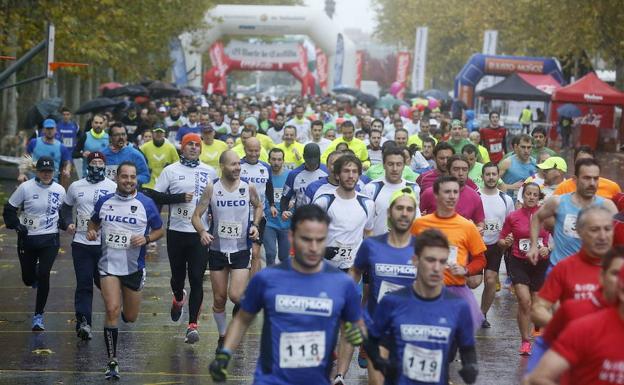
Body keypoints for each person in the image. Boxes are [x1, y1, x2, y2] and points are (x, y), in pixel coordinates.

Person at [207, 205, 364, 385]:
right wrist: (224, 354)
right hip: (270, 380)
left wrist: (361, 339)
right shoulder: (267, 279)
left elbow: (353, 329)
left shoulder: (342, 285)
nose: (313, 247)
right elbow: (242, 319)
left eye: (320, 240)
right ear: (291, 237)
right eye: (306, 239)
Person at [364, 229, 479, 385]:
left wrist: (470, 367)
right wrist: (379, 371)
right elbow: (374, 343)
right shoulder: (391, 302)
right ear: (415, 261)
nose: (437, 268)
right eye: (430, 260)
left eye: (442, 261)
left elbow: (467, 350)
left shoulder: (458, 307)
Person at [87, 161, 164, 379]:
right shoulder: (104, 201)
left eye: (132, 177)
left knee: (129, 317)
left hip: (133, 268)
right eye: (124, 176)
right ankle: (112, 361)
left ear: (136, 179)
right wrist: (92, 232)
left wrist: (147, 238)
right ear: (117, 178)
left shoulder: (146, 203)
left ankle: (123, 314)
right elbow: (93, 224)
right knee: (112, 309)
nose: (129, 181)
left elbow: (160, 230)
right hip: (108, 265)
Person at [191, 150, 263, 352]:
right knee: (219, 298)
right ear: (222, 166)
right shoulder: (212, 188)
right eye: (233, 164)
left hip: (241, 249)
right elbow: (196, 216)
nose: (237, 168)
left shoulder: (247, 187)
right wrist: (202, 232)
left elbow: (259, 206)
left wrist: (255, 225)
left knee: (236, 295)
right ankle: (223, 336)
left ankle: (239, 320)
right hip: (217, 250)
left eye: (239, 164)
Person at [152, 133, 217, 344]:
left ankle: (192, 326)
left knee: (197, 278)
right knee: (178, 278)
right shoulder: (170, 171)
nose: (193, 148)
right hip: (177, 232)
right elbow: (156, 195)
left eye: (197, 145)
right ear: (182, 147)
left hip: (200, 234)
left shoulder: (209, 171)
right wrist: (178, 198)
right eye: (189, 144)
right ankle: (179, 297)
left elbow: (216, 201)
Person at [349, 188, 418, 383]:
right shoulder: (371, 245)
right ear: (389, 212)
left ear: (414, 214)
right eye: (399, 208)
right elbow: (355, 271)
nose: (404, 213)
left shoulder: (422, 248)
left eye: (409, 209)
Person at [526, 247, 624, 375]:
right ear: (602, 276)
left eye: (607, 229)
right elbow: (537, 377)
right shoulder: (572, 311)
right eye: (616, 274)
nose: (621, 281)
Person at [410, 176, 487, 332]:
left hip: (455, 290)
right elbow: (409, 254)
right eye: (447, 192)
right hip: (425, 290)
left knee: (451, 342)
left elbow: (480, 259)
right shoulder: (420, 224)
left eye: (455, 192)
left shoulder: (467, 226)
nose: (452, 196)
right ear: (436, 195)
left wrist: (466, 270)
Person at [3, 156, 66, 331]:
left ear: (54, 172)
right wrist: (16, 225)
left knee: (44, 274)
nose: (46, 174)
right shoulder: (25, 188)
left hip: (50, 239)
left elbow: (63, 213)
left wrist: (66, 224)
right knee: (28, 278)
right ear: (37, 172)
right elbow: (9, 209)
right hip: (28, 239)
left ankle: (38, 316)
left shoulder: (60, 190)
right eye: (43, 171)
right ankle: (34, 275)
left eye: (49, 171)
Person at [59, 152, 116, 340]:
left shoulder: (113, 186)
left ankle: (116, 313)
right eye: (93, 162)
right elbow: (66, 208)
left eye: (101, 162)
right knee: (84, 284)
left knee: (105, 284)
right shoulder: (76, 186)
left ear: (105, 166)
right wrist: (67, 223)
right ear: (87, 164)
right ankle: (84, 323)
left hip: (105, 245)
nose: (97, 165)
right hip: (81, 243)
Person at [530, 205, 615, 329]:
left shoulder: (619, 265)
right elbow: (537, 310)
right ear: (579, 232)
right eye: (594, 230)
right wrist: (569, 329)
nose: (602, 236)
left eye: (607, 229)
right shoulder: (564, 267)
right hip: (570, 342)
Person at [527, 158, 617, 268]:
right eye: (587, 178)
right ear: (575, 180)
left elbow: (618, 236)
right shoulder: (557, 202)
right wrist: (533, 246)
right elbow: (536, 217)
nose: (592, 183)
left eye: (595, 178)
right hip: (559, 268)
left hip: (592, 270)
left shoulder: (607, 206)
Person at [498, 183, 551, 354]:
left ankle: (538, 334)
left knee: (536, 303)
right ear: (523, 195)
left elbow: (557, 237)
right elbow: (501, 239)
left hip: (540, 262)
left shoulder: (546, 216)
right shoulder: (513, 216)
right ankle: (525, 341)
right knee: (524, 301)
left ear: (539, 197)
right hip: (518, 261)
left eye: (535, 194)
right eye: (528, 194)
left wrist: (548, 248)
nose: (531, 197)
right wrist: (505, 242)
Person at [313, 154, 375, 271]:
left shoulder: (367, 204)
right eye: (346, 171)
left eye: (354, 172)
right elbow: (310, 233)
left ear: (359, 175)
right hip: (326, 268)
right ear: (337, 175)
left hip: (354, 268)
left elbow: (369, 232)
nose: (351, 176)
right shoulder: (323, 201)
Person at [478, 162, 514, 328]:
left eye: (494, 174)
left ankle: (482, 314)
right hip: (476, 245)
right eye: (488, 174)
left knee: (491, 280)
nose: (491, 177)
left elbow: (509, 223)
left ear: (499, 176)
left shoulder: (505, 199)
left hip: (495, 246)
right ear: (482, 176)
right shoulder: (475, 196)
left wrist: (507, 240)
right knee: (473, 281)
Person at [364, 146, 420, 236]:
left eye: (398, 164)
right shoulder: (371, 188)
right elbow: (365, 223)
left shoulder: (413, 188)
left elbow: (415, 219)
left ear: (404, 166)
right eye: (390, 164)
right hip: (377, 246)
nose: (395, 169)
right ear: (384, 165)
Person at [240, 137, 274, 275]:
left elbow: (269, 187)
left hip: (259, 216)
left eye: (257, 150)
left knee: (255, 253)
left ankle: (253, 286)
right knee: (244, 253)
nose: (254, 154)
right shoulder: (238, 166)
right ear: (244, 150)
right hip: (240, 216)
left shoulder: (266, 167)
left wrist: (271, 204)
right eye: (250, 150)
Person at [419, 155, 485, 227]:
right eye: (456, 169)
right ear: (448, 171)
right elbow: (418, 216)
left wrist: (479, 229)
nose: (460, 173)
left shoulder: (474, 196)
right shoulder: (430, 193)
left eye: (464, 169)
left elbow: (480, 222)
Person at [553, 146, 622, 199]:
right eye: (581, 161)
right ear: (574, 163)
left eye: (589, 161)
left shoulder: (612, 188)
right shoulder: (562, 188)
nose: (592, 183)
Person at [21, 118, 72, 186]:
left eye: (52, 128)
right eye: (47, 128)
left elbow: (67, 162)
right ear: (43, 130)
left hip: (53, 183)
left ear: (56, 130)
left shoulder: (61, 147)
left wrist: (67, 171)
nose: (50, 131)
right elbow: (25, 158)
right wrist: (22, 174)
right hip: (33, 181)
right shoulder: (34, 142)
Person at [280, 143, 328, 212]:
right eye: (309, 162)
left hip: (323, 215)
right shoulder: (294, 175)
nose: (312, 165)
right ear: (303, 157)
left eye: (314, 162)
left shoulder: (327, 172)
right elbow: (285, 197)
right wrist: (284, 211)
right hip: (302, 215)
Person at [263, 148, 291, 265]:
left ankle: (282, 280)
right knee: (270, 254)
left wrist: (293, 201)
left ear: (283, 161)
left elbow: (296, 193)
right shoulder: (264, 175)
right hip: (269, 221)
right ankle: (270, 280)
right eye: (273, 159)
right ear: (269, 160)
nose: (276, 162)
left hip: (286, 222)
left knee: (284, 257)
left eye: (279, 159)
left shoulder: (290, 176)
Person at [140, 123, 179, 189]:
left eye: (161, 132)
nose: (159, 134)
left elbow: (177, 165)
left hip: (165, 185)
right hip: (147, 185)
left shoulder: (171, 148)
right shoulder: (144, 147)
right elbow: (138, 165)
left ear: (164, 134)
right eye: (156, 132)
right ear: (153, 133)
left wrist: (170, 168)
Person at [499, 134, 536, 200]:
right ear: (516, 147)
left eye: (529, 147)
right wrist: (510, 187)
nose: (526, 151)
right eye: (523, 147)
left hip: (527, 203)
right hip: (509, 202)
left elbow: (537, 181)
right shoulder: (507, 162)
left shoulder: (535, 163)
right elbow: (492, 182)